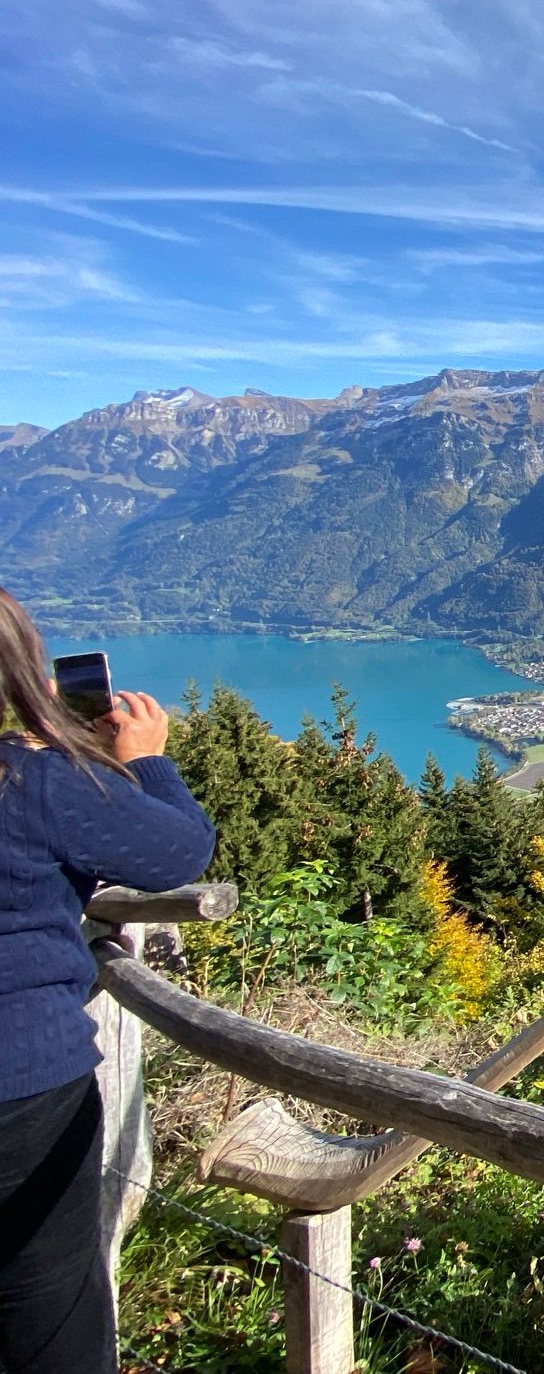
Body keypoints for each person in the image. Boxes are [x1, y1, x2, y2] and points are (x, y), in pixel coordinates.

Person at [0, 588, 216, 1373]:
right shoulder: (32, 783)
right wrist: (146, 761)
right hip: (23, 1093)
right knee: (47, 1309)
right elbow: (177, 853)